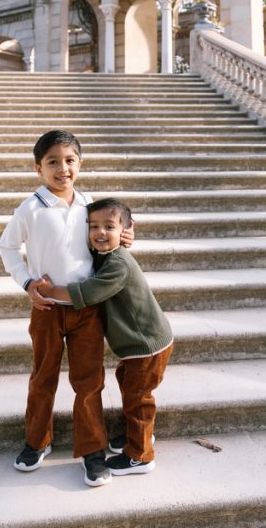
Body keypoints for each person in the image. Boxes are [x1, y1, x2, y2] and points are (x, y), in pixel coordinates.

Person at [0, 130, 131, 488]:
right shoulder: (31, 208)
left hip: (85, 309)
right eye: (53, 162)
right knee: (43, 377)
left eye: (69, 160)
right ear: (38, 168)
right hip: (47, 310)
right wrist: (27, 283)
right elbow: (7, 247)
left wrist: (126, 236)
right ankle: (36, 441)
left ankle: (92, 449)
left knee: (89, 381)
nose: (63, 169)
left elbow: (109, 233)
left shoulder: (89, 205)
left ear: (80, 164)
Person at [36, 197, 173, 475]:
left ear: (124, 229)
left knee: (138, 398)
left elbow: (84, 294)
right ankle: (137, 434)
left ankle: (141, 454)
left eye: (109, 226)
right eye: (93, 226)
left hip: (146, 344)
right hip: (137, 344)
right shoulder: (105, 254)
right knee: (130, 387)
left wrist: (50, 292)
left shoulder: (117, 265)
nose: (99, 233)